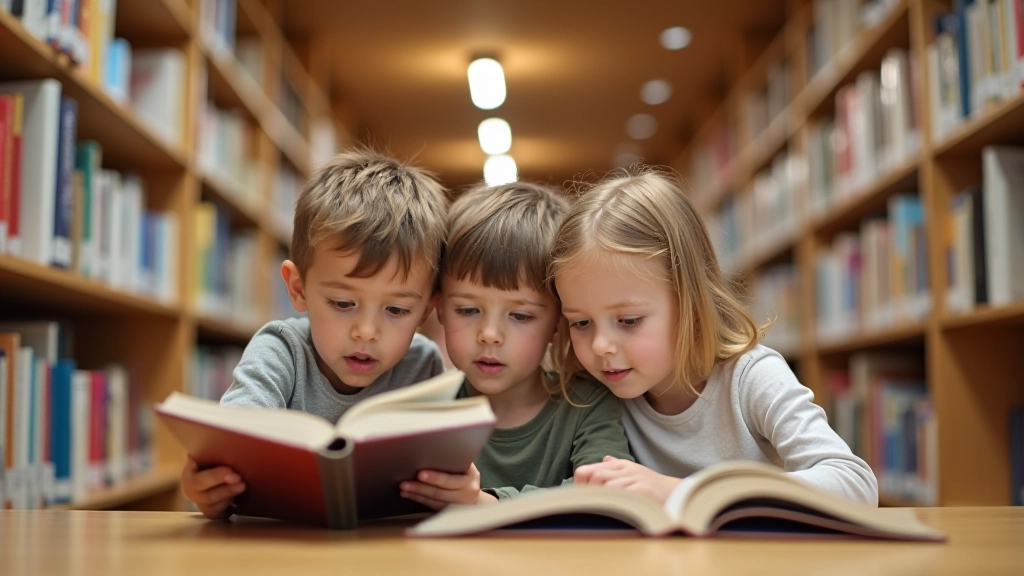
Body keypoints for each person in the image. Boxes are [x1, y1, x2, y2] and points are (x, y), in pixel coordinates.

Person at [551, 168, 878, 506]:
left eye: (629, 320)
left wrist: (683, 492)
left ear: (692, 302)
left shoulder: (752, 377)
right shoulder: (594, 396)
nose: (601, 345)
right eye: (581, 323)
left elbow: (855, 484)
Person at [182, 149, 449, 519]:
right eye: (342, 303)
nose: (366, 332)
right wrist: (211, 490)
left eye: (397, 310)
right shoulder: (279, 350)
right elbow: (236, 444)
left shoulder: (423, 366)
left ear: (427, 309)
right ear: (298, 289)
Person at [399, 182, 633, 509]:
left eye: (520, 316)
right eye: (467, 310)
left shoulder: (586, 405)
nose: (490, 334)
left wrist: (486, 504)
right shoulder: (426, 403)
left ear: (558, 323)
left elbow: (610, 494)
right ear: (439, 308)